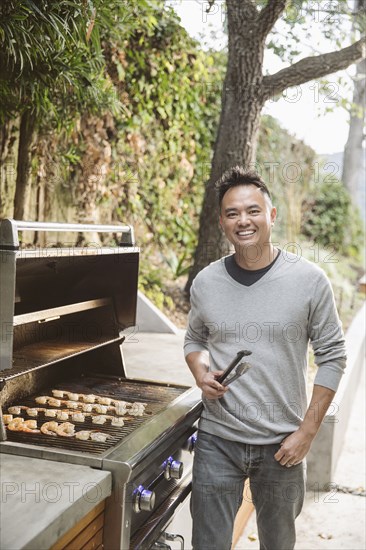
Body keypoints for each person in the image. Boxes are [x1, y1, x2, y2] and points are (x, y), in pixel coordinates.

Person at [184, 166, 346, 550]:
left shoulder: (309, 281)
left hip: (282, 445)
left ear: (271, 215)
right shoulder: (207, 281)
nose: (244, 220)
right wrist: (200, 372)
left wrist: (307, 432)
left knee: (277, 544)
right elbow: (193, 339)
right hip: (217, 441)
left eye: (253, 210)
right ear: (222, 222)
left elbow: (333, 356)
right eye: (233, 213)